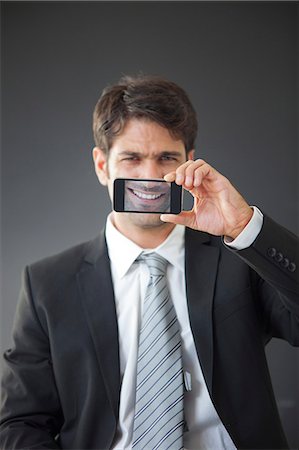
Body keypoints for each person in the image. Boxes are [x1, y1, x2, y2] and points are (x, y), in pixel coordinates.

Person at [0, 75, 298, 450]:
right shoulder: (46, 284)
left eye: (166, 158)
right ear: (102, 165)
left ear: (189, 162)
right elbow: (21, 423)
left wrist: (244, 227)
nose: (150, 176)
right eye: (132, 158)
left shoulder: (239, 256)